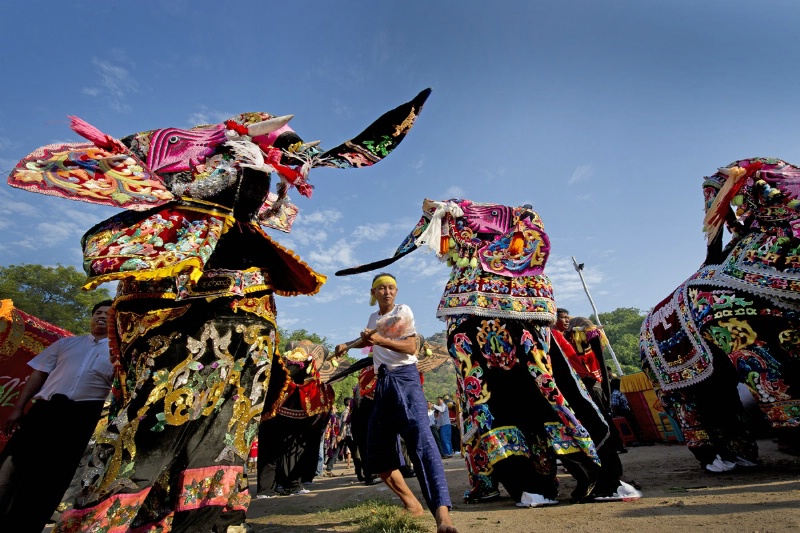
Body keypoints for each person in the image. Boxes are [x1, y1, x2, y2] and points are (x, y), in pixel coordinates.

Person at [335, 273, 457, 533]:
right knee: (376, 452)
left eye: (390, 288)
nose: (386, 292)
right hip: (383, 384)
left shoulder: (403, 311)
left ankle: (443, 516)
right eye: (381, 288)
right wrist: (348, 345)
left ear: (396, 291)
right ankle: (412, 503)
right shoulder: (373, 318)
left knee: (422, 443)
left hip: (406, 380)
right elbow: (369, 338)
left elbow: (411, 347)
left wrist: (379, 340)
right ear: (373, 293)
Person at [0, 300, 114, 533]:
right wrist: (18, 409)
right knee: (12, 465)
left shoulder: (119, 352)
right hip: (45, 411)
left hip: (81, 417)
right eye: (98, 312)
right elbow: (38, 375)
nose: (101, 317)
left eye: (108, 314)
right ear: (91, 317)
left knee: (52, 475)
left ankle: (25, 525)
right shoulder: (66, 344)